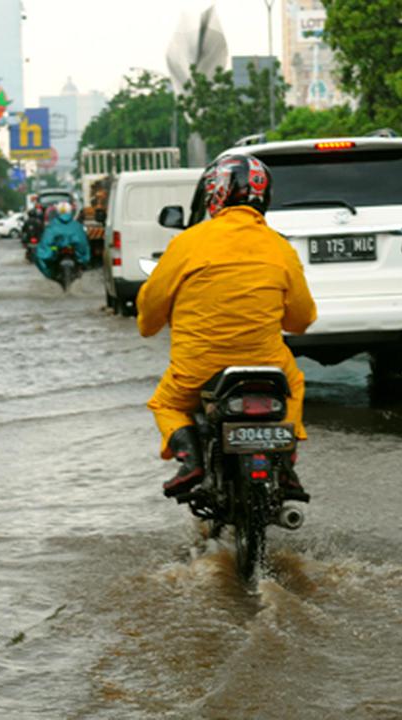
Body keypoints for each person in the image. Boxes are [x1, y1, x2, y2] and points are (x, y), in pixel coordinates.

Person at [137, 155, 317, 499]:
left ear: (214, 194)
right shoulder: (280, 247)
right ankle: (286, 461)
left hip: (197, 367)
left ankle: (190, 460)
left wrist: (149, 324)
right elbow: (302, 319)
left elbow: (151, 310)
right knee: (293, 383)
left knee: (167, 404)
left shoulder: (186, 243)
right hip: (267, 364)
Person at [34, 201, 90, 281]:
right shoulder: (77, 226)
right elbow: (83, 245)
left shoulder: (52, 225)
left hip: (57, 250)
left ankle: (51, 274)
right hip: (71, 251)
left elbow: (45, 245)